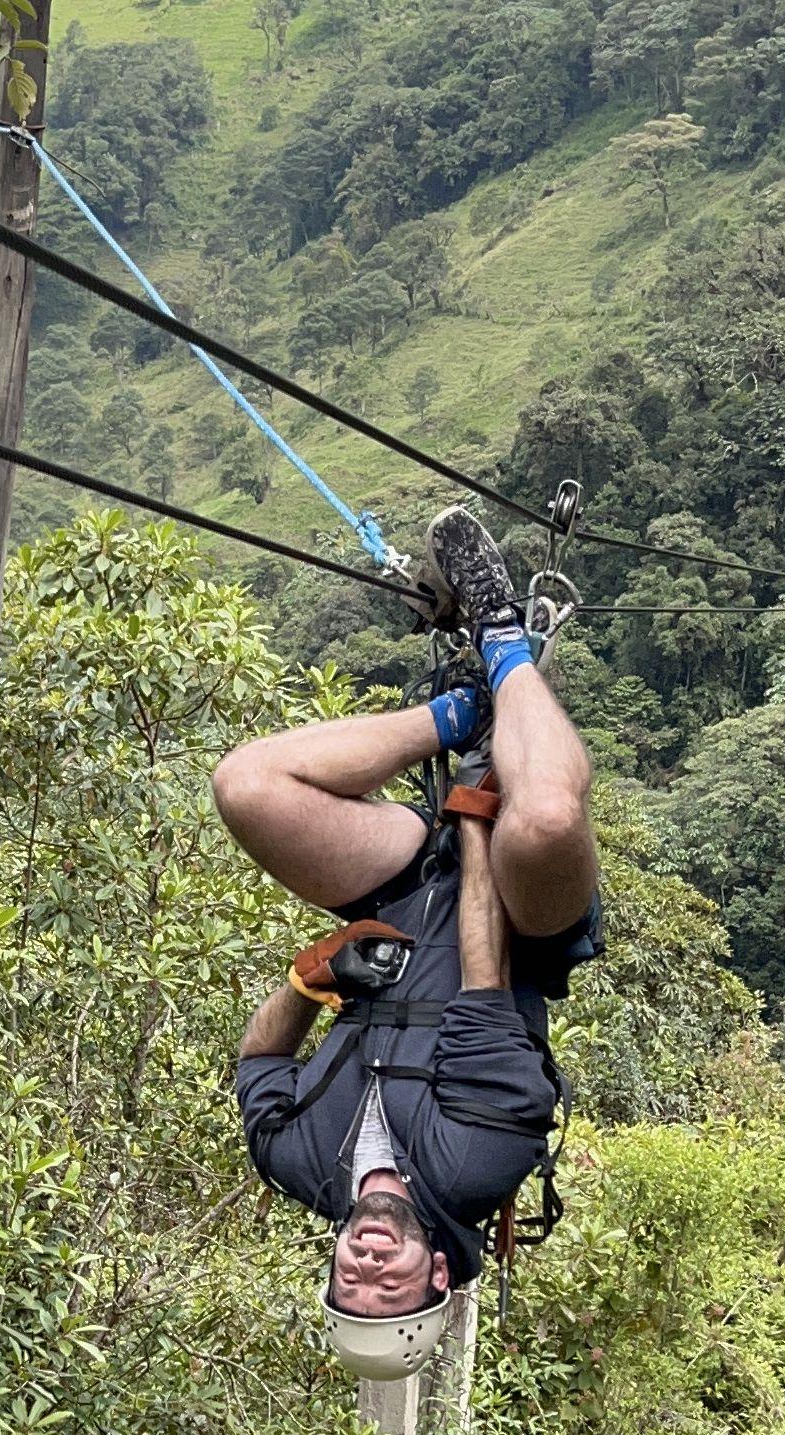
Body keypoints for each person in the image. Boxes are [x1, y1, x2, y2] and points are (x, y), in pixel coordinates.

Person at [211, 507, 603, 1374]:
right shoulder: (474, 1169)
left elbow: (257, 1064)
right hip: (513, 921)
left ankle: (462, 709)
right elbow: (484, 984)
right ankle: (505, 644)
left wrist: (313, 980)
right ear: (435, 1271)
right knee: (541, 819)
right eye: (390, 1290)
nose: (368, 1267)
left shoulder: (298, 1163)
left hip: (395, 900)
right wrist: (472, 815)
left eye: (349, 1284)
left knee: (247, 784)